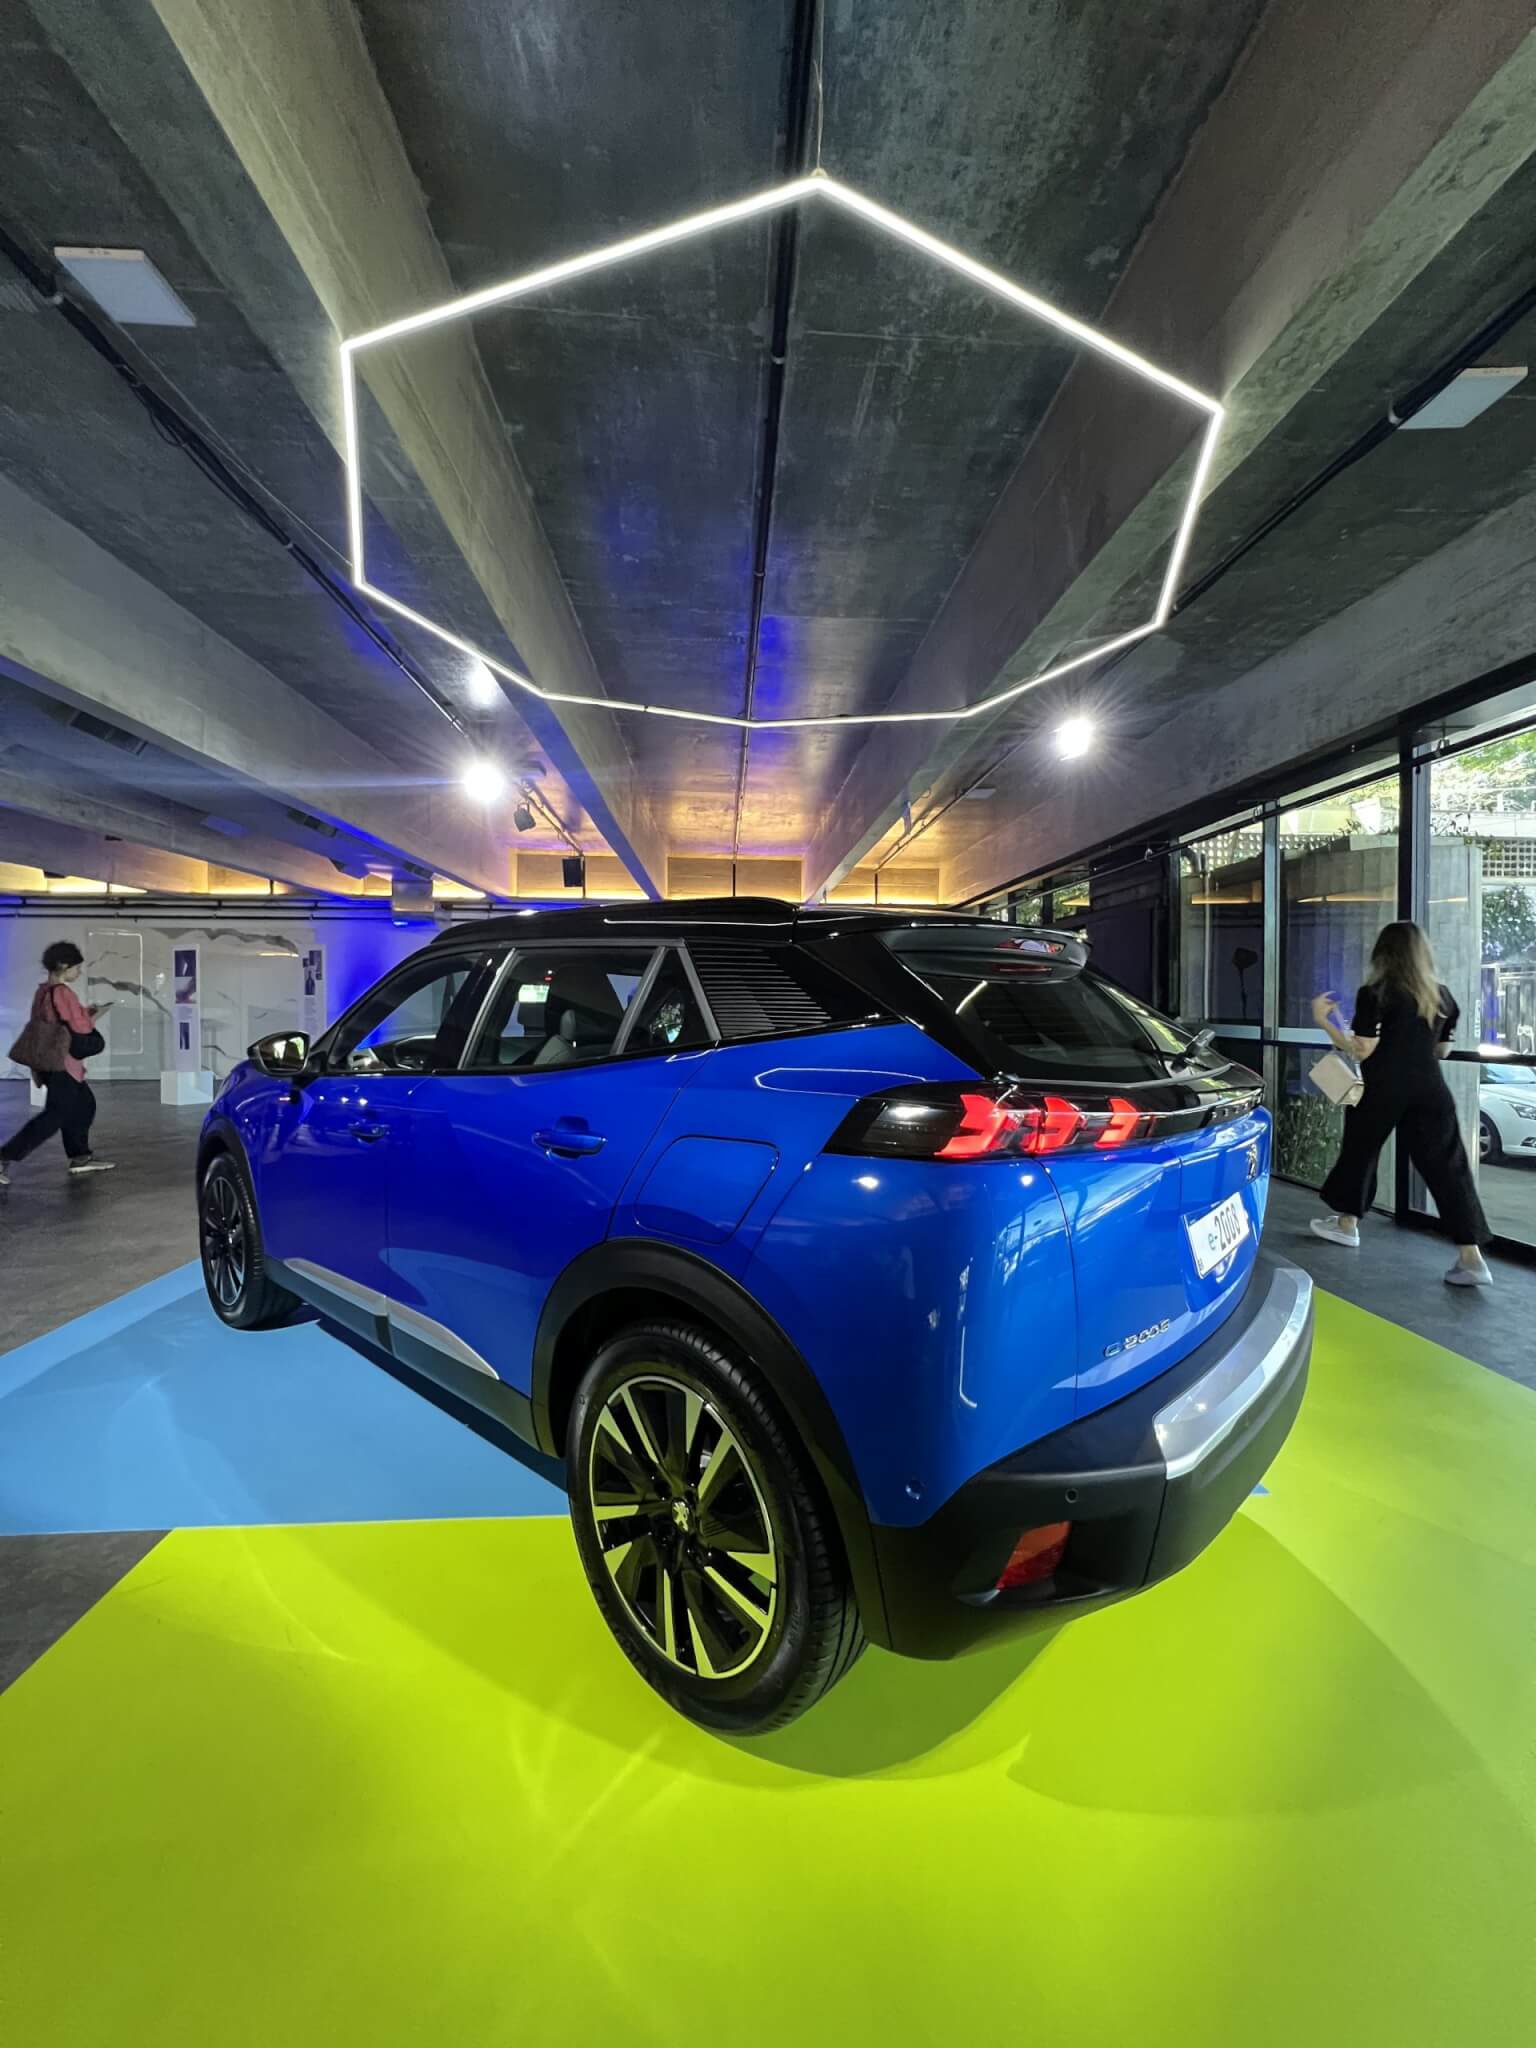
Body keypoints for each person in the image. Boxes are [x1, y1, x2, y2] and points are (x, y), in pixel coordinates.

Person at [1309, 920, 1490, 1287]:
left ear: (1383, 953)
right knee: (1449, 1169)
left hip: (1383, 1087)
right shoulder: (1442, 997)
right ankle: (1471, 1258)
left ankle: (1347, 1224)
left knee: (1360, 1152)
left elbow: (1362, 1049)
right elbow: (1442, 1050)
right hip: (1431, 1089)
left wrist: (1322, 1020)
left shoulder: (1375, 993)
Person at [0, 941, 116, 1185]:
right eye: (77, 968)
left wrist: (82, 1013)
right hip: (63, 1064)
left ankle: (80, 1157)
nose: (79, 972)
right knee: (54, 1117)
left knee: (84, 1105)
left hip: (53, 1063)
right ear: (64, 966)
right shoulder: (62, 992)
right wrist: (93, 1014)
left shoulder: (43, 991)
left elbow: (55, 1021)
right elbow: (80, 1027)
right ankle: (4, 1156)